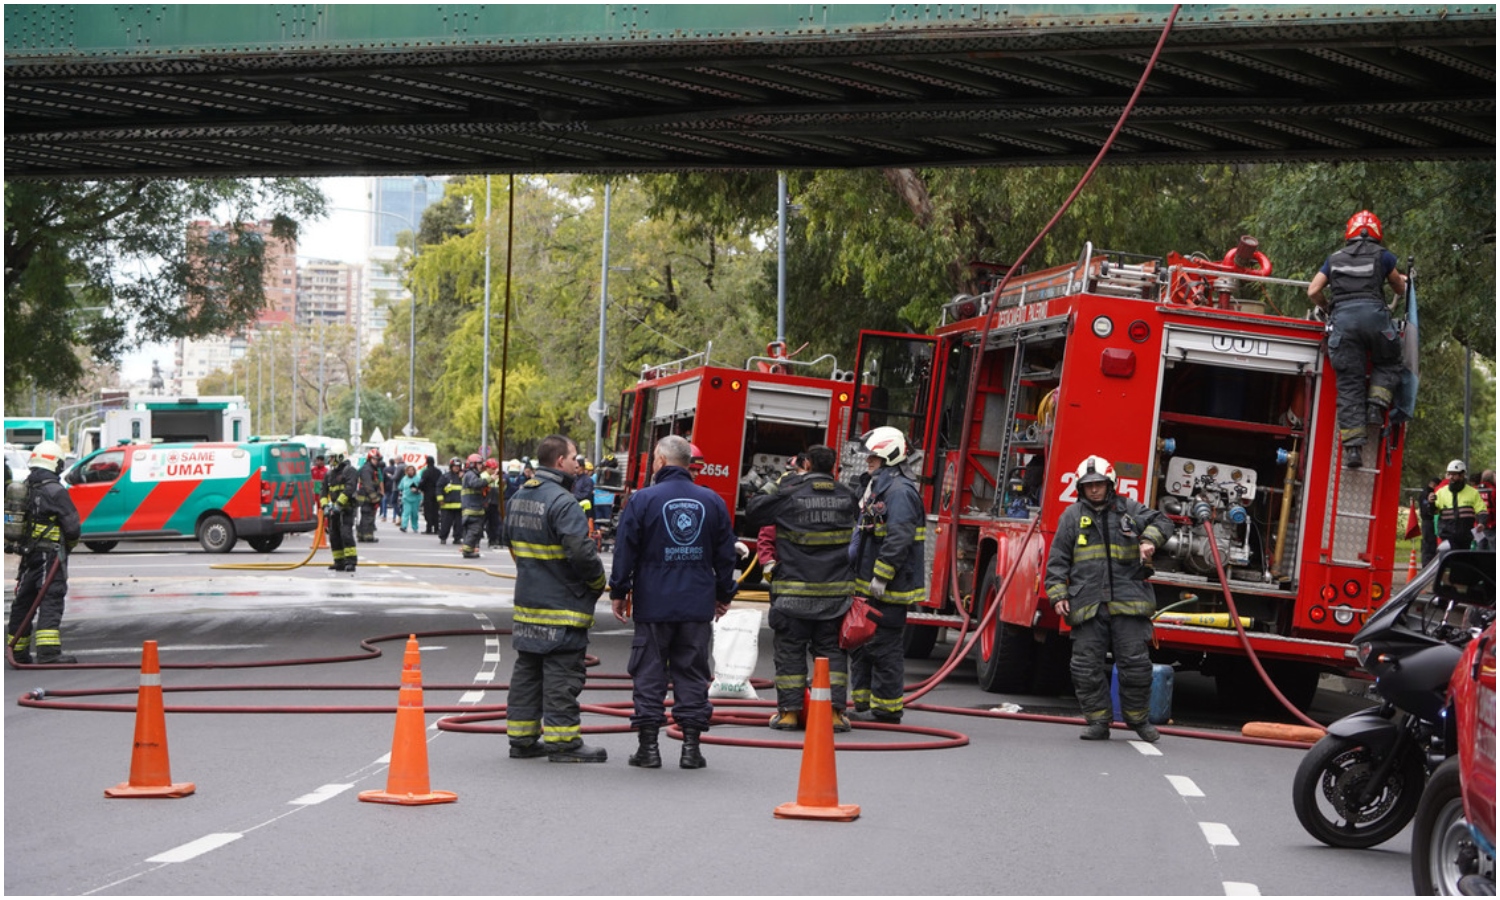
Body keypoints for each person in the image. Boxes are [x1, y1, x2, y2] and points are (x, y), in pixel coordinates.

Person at [609, 435, 737, 769]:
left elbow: (625, 550)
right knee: (693, 672)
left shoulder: (643, 500)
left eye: (653, 459)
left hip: (654, 604)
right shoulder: (711, 501)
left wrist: (618, 592)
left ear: (662, 461)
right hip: (696, 604)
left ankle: (648, 749)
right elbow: (726, 555)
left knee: (650, 672)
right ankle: (691, 750)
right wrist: (724, 594)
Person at [1045, 455, 1171, 742]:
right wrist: (1058, 595)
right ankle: (1098, 722)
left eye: (1099, 484)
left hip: (1128, 603)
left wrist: (1149, 539)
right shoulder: (1071, 517)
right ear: (1080, 487)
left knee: (1136, 667)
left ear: (1110, 483)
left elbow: (1162, 521)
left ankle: (1139, 721)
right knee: (1085, 667)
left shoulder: (1130, 510)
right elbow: (1057, 563)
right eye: (1088, 485)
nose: (1094, 490)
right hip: (1087, 605)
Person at [504, 435, 609, 762]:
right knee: (563, 674)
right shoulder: (564, 503)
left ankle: (521, 740)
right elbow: (581, 553)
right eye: (574, 457)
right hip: (562, 608)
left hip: (528, 606)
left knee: (528, 671)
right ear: (560, 460)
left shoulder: (519, 497)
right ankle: (564, 744)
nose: (578, 463)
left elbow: (512, 546)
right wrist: (596, 582)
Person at [745, 446, 858, 732]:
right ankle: (833, 714)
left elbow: (754, 511)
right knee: (831, 653)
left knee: (790, 651)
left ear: (805, 463)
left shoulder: (789, 493)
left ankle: (789, 714)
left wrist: (778, 481)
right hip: (835, 595)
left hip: (793, 595)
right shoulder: (847, 496)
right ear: (834, 467)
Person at [1306, 210, 1407, 469]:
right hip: (1376, 321)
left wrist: (1328, 307)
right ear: (1377, 233)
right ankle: (1376, 405)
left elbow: (1313, 290)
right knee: (1389, 359)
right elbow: (1399, 287)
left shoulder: (1334, 259)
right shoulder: (1383, 256)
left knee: (1349, 386)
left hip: (1344, 326)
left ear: (1349, 232)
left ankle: (1353, 450)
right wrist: (1402, 283)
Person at [848, 426, 926, 724]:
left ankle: (888, 708)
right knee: (862, 643)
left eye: (873, 457)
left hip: (889, 587)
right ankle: (864, 702)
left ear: (888, 456)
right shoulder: (879, 486)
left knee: (885, 646)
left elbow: (898, 538)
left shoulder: (901, 493)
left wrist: (881, 577)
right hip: (868, 584)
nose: (868, 461)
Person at [5, 441, 81, 665]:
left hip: (28, 557)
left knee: (24, 601)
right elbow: (72, 527)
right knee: (50, 598)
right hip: (50, 556)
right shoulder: (55, 491)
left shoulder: (24, 487)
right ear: (56, 464)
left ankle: (17, 652)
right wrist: (70, 545)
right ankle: (48, 653)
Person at [1434, 459, 1488, 552]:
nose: (1451, 477)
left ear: (1462, 475)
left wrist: (1481, 523)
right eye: (1449, 474)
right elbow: (1433, 511)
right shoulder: (1441, 493)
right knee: (1450, 559)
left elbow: (1482, 510)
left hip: (1465, 537)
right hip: (1447, 536)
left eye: (1454, 474)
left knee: (1462, 562)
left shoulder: (1473, 492)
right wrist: (1430, 504)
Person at [323, 451, 359, 573]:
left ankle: (350, 562)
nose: (330, 460)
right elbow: (323, 493)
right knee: (334, 536)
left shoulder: (350, 471)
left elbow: (349, 488)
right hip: (333, 511)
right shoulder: (329, 474)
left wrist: (338, 504)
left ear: (340, 457)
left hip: (346, 509)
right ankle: (339, 562)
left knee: (346, 534)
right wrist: (325, 507)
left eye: (332, 457)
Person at [459, 453, 488, 559]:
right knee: (474, 530)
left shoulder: (471, 475)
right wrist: (490, 479)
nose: (481, 465)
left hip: (473, 508)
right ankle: (467, 551)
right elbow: (475, 484)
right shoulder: (471, 475)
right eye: (479, 463)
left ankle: (469, 549)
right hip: (472, 509)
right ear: (472, 464)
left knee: (472, 530)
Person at [356, 448, 382, 541]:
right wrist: (374, 498)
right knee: (368, 517)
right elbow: (368, 485)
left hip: (367, 497)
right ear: (369, 459)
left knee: (366, 517)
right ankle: (368, 536)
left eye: (377, 460)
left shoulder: (371, 469)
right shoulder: (367, 469)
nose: (376, 461)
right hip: (367, 498)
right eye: (374, 459)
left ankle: (361, 535)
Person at [436, 457, 464, 544]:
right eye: (454, 466)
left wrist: (463, 478)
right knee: (445, 523)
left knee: (459, 524)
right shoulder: (445, 477)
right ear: (451, 466)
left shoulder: (463, 477)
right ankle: (443, 537)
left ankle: (457, 538)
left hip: (460, 505)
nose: (456, 468)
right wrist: (440, 499)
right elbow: (439, 488)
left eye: (458, 466)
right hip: (447, 505)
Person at [1419, 476, 1442, 567]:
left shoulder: (1424, 492)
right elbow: (1427, 510)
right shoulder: (1427, 494)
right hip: (1428, 522)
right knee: (1429, 545)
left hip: (1428, 522)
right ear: (1434, 485)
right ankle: (1427, 565)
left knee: (1429, 544)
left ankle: (1428, 565)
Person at [483, 458, 503, 549]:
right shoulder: (483, 476)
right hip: (485, 503)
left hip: (494, 503)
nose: (494, 470)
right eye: (492, 468)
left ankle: (493, 540)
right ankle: (475, 541)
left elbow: (501, 488)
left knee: (494, 523)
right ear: (487, 468)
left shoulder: (497, 476)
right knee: (481, 523)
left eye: (495, 468)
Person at [419, 455, 441, 534]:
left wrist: (420, 488)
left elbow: (422, 482)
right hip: (437, 493)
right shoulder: (438, 471)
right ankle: (436, 528)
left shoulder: (426, 471)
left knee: (428, 511)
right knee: (435, 511)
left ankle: (429, 528)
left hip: (428, 493)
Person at [398, 464, 422, 533]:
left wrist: (416, 489)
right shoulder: (404, 478)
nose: (410, 471)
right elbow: (400, 487)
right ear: (406, 471)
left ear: (414, 471)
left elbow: (421, 487)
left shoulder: (418, 478)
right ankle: (404, 526)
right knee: (406, 512)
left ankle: (415, 527)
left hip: (416, 498)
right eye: (409, 470)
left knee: (414, 514)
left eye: (412, 470)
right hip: (406, 498)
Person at [1477, 469, 1496, 550]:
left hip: (1477, 525)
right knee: (1494, 549)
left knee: (1480, 548)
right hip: (1492, 525)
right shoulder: (1494, 491)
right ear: (1492, 478)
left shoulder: (1474, 490)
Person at [381, 456, 401, 522]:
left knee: (385, 501)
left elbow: (383, 479)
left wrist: (382, 488)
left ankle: (384, 516)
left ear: (389, 463)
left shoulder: (385, 469)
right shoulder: (396, 468)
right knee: (394, 502)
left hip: (387, 487)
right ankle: (394, 517)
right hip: (394, 487)